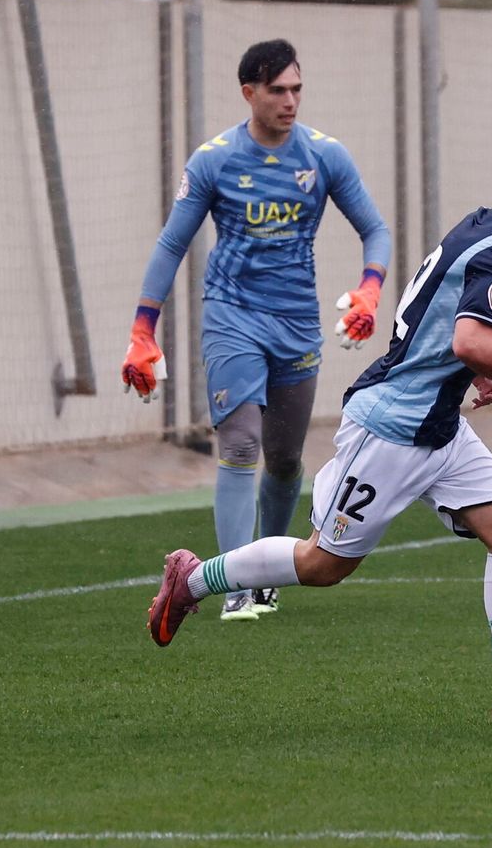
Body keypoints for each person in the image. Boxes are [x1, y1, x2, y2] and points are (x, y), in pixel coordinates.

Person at [145, 144, 492, 732]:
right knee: (322, 563)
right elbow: (465, 338)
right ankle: (194, 578)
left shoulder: (490, 230)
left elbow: (436, 316)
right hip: (393, 428)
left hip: (437, 426)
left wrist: (477, 371)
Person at [121, 38, 392, 623]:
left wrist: (370, 287)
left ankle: (268, 577)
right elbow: (172, 244)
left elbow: (376, 229)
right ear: (250, 93)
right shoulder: (214, 160)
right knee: (241, 444)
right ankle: (235, 586)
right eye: (278, 90)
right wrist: (143, 329)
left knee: (286, 459)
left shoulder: (325, 156)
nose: (290, 100)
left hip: (297, 323)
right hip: (231, 316)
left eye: (297, 89)